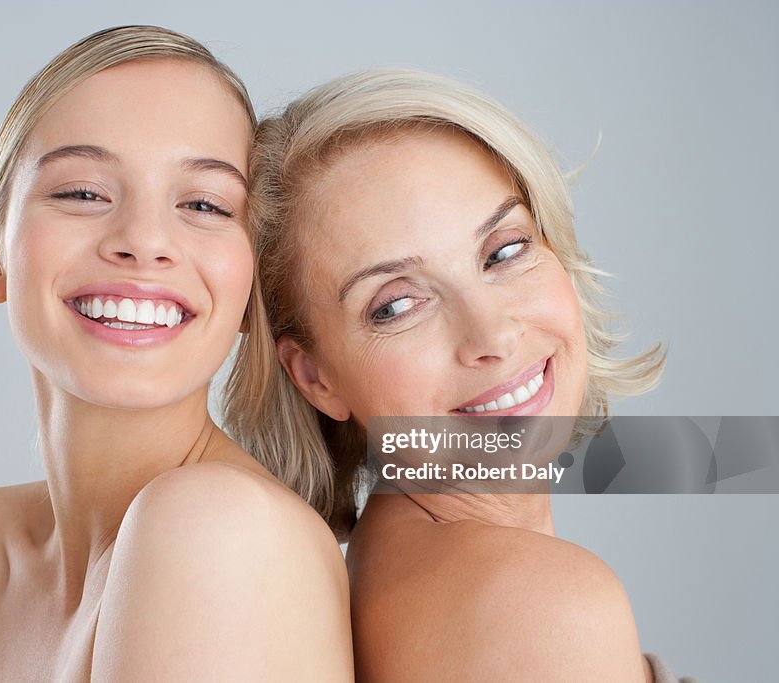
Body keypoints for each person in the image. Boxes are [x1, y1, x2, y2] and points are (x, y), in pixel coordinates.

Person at [0, 26, 353, 682]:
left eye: (203, 203)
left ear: (248, 285)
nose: (144, 241)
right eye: (82, 192)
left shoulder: (217, 528)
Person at [224, 68, 699, 681]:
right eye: (396, 304)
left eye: (504, 252)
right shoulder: (542, 606)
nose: (493, 336)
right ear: (315, 376)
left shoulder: (391, 570)